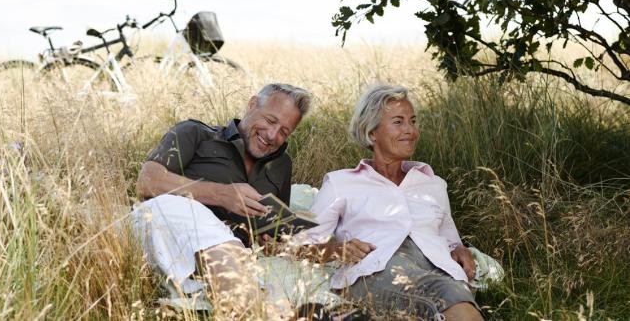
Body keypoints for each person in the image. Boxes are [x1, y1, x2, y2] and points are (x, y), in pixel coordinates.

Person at [294, 84, 483, 321]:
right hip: (377, 270)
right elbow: (302, 245)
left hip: (438, 268)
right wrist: (336, 249)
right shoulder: (340, 183)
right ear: (372, 132)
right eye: (398, 122)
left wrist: (460, 249)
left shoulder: (433, 184)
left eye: (413, 121)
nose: (411, 131)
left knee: (452, 294)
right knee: (453, 301)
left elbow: (451, 240)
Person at [132, 83, 312, 315]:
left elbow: (276, 226)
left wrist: (273, 239)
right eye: (270, 120)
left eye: (284, 132)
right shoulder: (196, 133)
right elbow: (147, 182)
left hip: (229, 253)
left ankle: (258, 309)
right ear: (251, 105)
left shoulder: (281, 165)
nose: (272, 135)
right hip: (168, 227)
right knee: (177, 207)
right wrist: (221, 194)